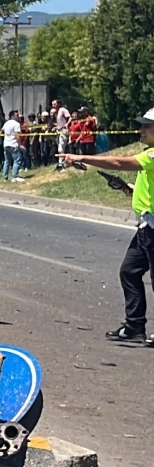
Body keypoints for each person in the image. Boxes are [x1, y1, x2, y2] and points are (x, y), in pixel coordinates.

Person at [63, 107, 154, 346]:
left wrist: (81, 157)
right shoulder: (148, 155)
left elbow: (118, 161)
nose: (140, 129)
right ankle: (135, 326)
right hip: (146, 227)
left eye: (147, 126)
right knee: (129, 271)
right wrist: (128, 190)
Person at [0, 109, 25, 182]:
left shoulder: (6, 123)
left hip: (6, 144)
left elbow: (1, 131)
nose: (18, 116)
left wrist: (7, 135)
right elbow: (17, 135)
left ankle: (5, 177)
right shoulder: (16, 124)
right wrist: (20, 144)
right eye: (17, 115)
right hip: (13, 144)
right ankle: (15, 176)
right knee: (17, 160)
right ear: (12, 116)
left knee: (7, 161)